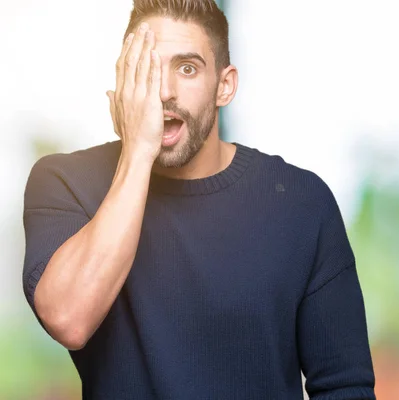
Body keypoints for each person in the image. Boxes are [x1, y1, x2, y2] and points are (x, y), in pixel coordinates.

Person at [22, 0, 376, 398]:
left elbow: (346, 387)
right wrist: (138, 153)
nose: (164, 92)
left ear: (225, 86)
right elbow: (69, 319)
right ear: (123, 80)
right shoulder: (64, 182)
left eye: (187, 68)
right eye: (148, 69)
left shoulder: (302, 203)